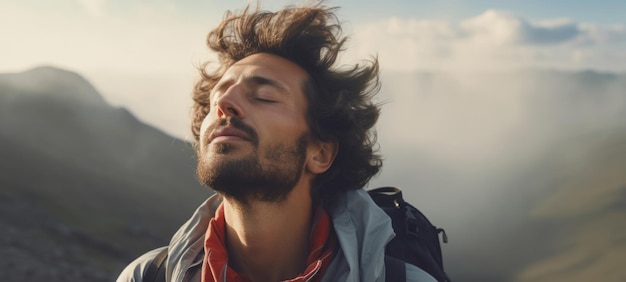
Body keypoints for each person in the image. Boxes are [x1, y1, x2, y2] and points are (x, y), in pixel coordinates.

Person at [118, 3, 436, 282]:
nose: (224, 102)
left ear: (320, 152)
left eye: (264, 97)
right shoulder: (147, 275)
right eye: (218, 95)